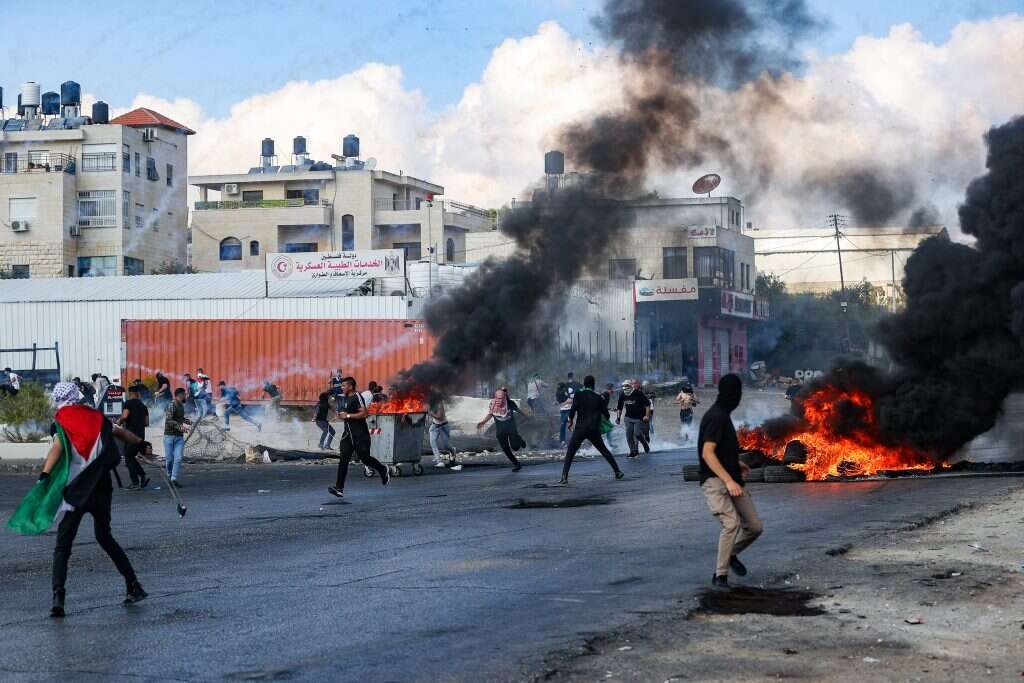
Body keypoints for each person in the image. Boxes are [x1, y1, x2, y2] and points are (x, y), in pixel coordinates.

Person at [23, 382, 150, 617]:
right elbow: (122, 433)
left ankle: (58, 598)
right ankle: (134, 585)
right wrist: (141, 444)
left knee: (63, 547)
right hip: (102, 488)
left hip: (77, 492)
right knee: (105, 537)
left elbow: (57, 448)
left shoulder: (61, 421)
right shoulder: (96, 417)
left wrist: (44, 475)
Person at [698, 374, 763, 589]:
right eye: (737, 393)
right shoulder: (716, 416)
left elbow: (722, 449)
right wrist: (728, 480)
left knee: (754, 526)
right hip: (715, 481)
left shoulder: (724, 416)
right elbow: (708, 453)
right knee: (731, 524)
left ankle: (731, 554)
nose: (738, 398)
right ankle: (720, 576)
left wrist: (737, 463)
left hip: (732, 478)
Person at [328, 377, 389, 498]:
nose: (342, 387)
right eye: (342, 385)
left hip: (360, 434)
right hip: (347, 435)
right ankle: (339, 488)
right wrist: (340, 415)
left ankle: (382, 469)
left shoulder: (357, 396)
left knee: (365, 459)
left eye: (344, 385)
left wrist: (348, 416)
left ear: (351, 386)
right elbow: (344, 414)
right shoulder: (344, 398)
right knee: (343, 460)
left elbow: (364, 413)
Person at [559, 375, 624, 484]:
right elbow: (607, 415)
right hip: (593, 429)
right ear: (593, 385)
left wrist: (570, 422)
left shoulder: (578, 395)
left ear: (584, 384)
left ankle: (564, 477)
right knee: (604, 450)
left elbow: (573, 410)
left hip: (580, 428)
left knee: (570, 452)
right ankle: (617, 471)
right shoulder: (598, 398)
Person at [477, 388, 524, 471]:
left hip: (511, 428)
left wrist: (525, 415)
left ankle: (519, 439)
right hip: (500, 430)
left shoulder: (510, 403)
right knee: (505, 448)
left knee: (515, 447)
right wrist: (483, 422)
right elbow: (490, 414)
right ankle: (517, 464)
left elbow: (517, 410)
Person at [118, 386, 151, 490]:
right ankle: (142, 477)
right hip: (141, 436)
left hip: (131, 436)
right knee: (131, 457)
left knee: (129, 457)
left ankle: (136, 481)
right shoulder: (143, 406)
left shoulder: (128, 403)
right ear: (138, 394)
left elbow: (125, 416)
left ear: (129, 393)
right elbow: (146, 423)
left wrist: (118, 421)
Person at [616, 379, 651, 458]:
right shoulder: (622, 394)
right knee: (629, 435)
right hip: (628, 418)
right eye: (623, 386)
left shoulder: (638, 393)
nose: (625, 387)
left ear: (630, 385)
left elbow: (647, 404)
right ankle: (633, 452)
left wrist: (647, 416)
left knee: (637, 433)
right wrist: (618, 418)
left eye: (626, 386)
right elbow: (619, 407)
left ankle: (644, 443)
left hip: (638, 418)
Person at [163, 388, 190, 488]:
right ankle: (169, 475)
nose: (185, 396)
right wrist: (180, 427)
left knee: (178, 458)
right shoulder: (172, 404)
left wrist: (188, 422)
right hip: (169, 436)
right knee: (169, 459)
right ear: (180, 395)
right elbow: (169, 420)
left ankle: (173, 479)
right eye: (184, 394)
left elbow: (180, 418)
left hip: (179, 437)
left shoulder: (181, 405)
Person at [428, 396, 462, 471]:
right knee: (433, 443)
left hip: (443, 426)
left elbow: (439, 417)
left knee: (446, 446)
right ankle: (439, 461)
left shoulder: (440, 404)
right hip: (434, 426)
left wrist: (430, 413)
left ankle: (452, 450)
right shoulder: (430, 403)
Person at [556, 374, 579, 446]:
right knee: (563, 424)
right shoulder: (558, 392)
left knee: (571, 423)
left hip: (569, 409)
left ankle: (576, 439)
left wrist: (564, 403)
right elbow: (560, 401)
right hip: (563, 410)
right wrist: (560, 403)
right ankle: (562, 441)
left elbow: (572, 400)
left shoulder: (569, 390)